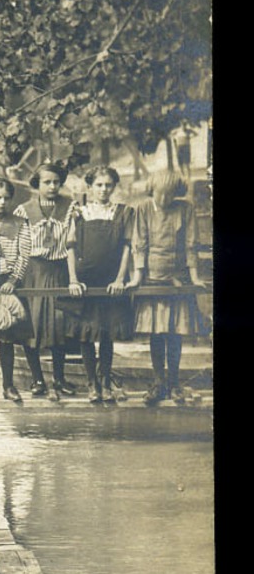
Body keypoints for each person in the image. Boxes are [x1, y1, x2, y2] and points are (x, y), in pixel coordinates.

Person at [130, 173, 209, 405]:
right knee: (157, 331)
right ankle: (158, 382)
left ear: (177, 193)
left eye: (170, 194)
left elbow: (190, 243)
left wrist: (194, 277)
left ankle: (174, 383)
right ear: (152, 190)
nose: (164, 198)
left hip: (178, 278)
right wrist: (137, 276)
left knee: (175, 331)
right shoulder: (143, 208)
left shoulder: (185, 208)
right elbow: (139, 243)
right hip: (152, 277)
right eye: (160, 193)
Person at [60, 166, 135, 404]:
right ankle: (91, 384)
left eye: (108, 185)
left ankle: (105, 382)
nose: (103, 190)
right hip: (85, 281)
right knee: (86, 334)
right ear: (90, 187)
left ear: (114, 187)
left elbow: (127, 248)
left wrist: (120, 278)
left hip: (111, 282)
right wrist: (73, 279)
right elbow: (70, 248)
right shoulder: (79, 213)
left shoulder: (123, 213)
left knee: (106, 334)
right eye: (99, 185)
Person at [13, 162, 79, 400]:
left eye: (56, 182)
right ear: (37, 184)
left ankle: (59, 379)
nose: (52, 187)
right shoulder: (23, 210)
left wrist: (73, 277)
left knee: (58, 325)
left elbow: (72, 244)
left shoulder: (71, 208)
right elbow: (18, 247)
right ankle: (37, 379)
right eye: (46, 182)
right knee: (33, 325)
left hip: (59, 270)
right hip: (33, 271)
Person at [0, 176, 34, 404]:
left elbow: (24, 254)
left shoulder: (20, 223)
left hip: (10, 282)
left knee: (12, 335)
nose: (2, 202)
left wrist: (14, 279)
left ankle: (18, 384)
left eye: (6, 198)